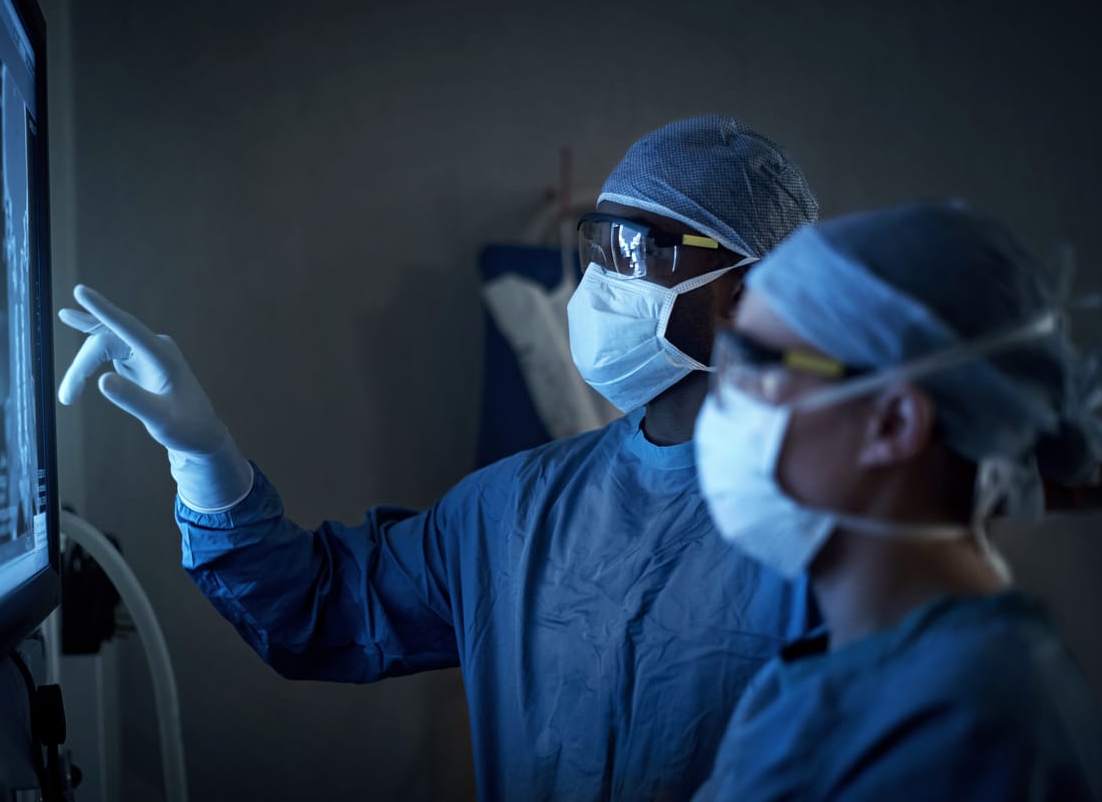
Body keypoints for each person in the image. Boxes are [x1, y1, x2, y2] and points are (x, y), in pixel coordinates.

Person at [57, 116, 820, 800]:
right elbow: (318, 610)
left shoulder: (837, 531)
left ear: (745, 294)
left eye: (636, 252)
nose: (600, 285)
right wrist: (205, 460)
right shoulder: (518, 508)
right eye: (597, 246)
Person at [691, 201, 1102, 800]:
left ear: (892, 423)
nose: (726, 403)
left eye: (757, 368)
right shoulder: (843, 666)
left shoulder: (969, 723)